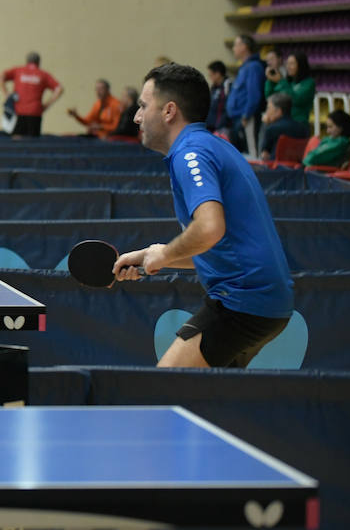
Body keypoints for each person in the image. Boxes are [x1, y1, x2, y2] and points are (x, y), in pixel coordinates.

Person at [112, 63, 293, 368]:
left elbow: (210, 228)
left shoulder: (190, 153)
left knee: (163, 388)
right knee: (209, 403)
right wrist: (151, 256)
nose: (136, 117)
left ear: (169, 111)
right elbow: (217, 244)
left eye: (143, 106)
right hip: (268, 305)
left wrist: (165, 253)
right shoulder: (210, 145)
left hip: (242, 302)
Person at [0, 52, 63, 138]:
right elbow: (59, 89)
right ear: (39, 62)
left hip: (19, 112)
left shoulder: (18, 71)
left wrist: (6, 94)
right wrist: (47, 105)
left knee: (17, 139)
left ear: (27, 61)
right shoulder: (43, 74)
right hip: (35, 112)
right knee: (33, 142)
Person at [226, 35, 266, 158]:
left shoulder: (253, 67)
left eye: (236, 45)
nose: (233, 48)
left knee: (252, 153)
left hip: (247, 118)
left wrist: (246, 115)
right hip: (238, 118)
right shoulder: (244, 67)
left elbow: (254, 94)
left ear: (244, 47)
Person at [257, 92, 311, 163]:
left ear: (278, 111)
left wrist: (265, 125)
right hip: (297, 169)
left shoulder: (272, 129)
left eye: (269, 108)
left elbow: (264, 155)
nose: (267, 112)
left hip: (275, 170)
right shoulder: (303, 128)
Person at [265, 52, 316, 126]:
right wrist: (270, 80)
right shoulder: (289, 82)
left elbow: (297, 100)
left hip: (299, 124)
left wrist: (281, 81)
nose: (288, 67)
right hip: (283, 123)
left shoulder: (309, 83)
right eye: (287, 64)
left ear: (301, 65)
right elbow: (270, 97)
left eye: (292, 64)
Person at [204, 60, 231, 132]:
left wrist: (220, 124)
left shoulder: (227, 86)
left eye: (211, 75)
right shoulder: (213, 88)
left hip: (222, 127)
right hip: (210, 126)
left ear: (218, 74)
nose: (210, 77)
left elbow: (227, 107)